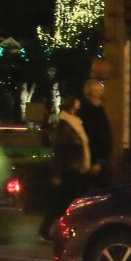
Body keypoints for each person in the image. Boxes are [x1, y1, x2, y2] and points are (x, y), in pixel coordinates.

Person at [40, 95, 93, 242]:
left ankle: (51, 228)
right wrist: (56, 173)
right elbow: (60, 150)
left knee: (64, 200)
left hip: (74, 167)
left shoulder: (74, 124)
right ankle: (52, 228)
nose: (79, 107)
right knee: (66, 200)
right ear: (71, 106)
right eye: (76, 104)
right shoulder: (65, 125)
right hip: (70, 168)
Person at [77, 78, 113, 183]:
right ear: (91, 92)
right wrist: (96, 160)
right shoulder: (87, 110)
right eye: (98, 90)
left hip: (102, 157)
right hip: (93, 158)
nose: (100, 93)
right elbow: (92, 134)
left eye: (101, 90)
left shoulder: (99, 107)